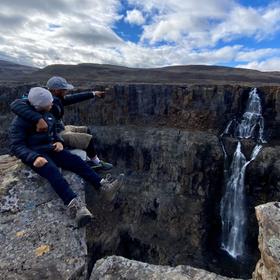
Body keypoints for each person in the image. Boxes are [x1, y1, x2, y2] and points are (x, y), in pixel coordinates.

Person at [9, 87, 122, 227]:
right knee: (53, 172)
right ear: (39, 105)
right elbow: (16, 145)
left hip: (51, 148)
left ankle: (102, 186)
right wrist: (33, 157)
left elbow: (54, 133)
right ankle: (75, 207)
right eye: (49, 103)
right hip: (36, 154)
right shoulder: (20, 122)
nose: (52, 104)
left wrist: (59, 142)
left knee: (76, 161)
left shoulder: (48, 115)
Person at [10, 76, 112, 170]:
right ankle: (96, 162)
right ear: (56, 90)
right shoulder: (42, 100)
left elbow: (72, 98)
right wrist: (38, 119)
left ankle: (89, 157)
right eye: (64, 90)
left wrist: (93, 94)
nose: (66, 91)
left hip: (60, 128)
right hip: (54, 135)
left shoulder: (54, 98)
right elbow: (16, 104)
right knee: (87, 138)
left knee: (86, 129)